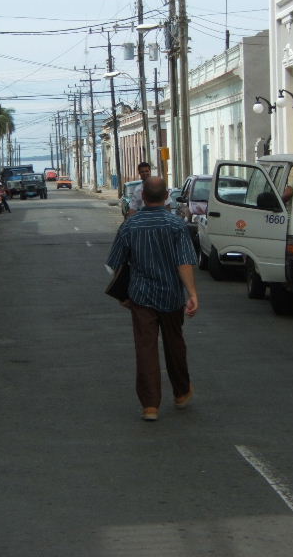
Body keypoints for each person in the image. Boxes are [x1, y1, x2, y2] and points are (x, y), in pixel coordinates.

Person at [106, 176, 198, 422]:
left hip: (140, 296)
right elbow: (185, 262)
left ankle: (150, 406)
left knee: (145, 348)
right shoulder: (176, 225)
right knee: (175, 344)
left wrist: (122, 295)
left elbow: (115, 264)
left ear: (143, 197)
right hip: (171, 296)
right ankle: (181, 393)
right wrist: (192, 294)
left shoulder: (130, 226)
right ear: (166, 195)